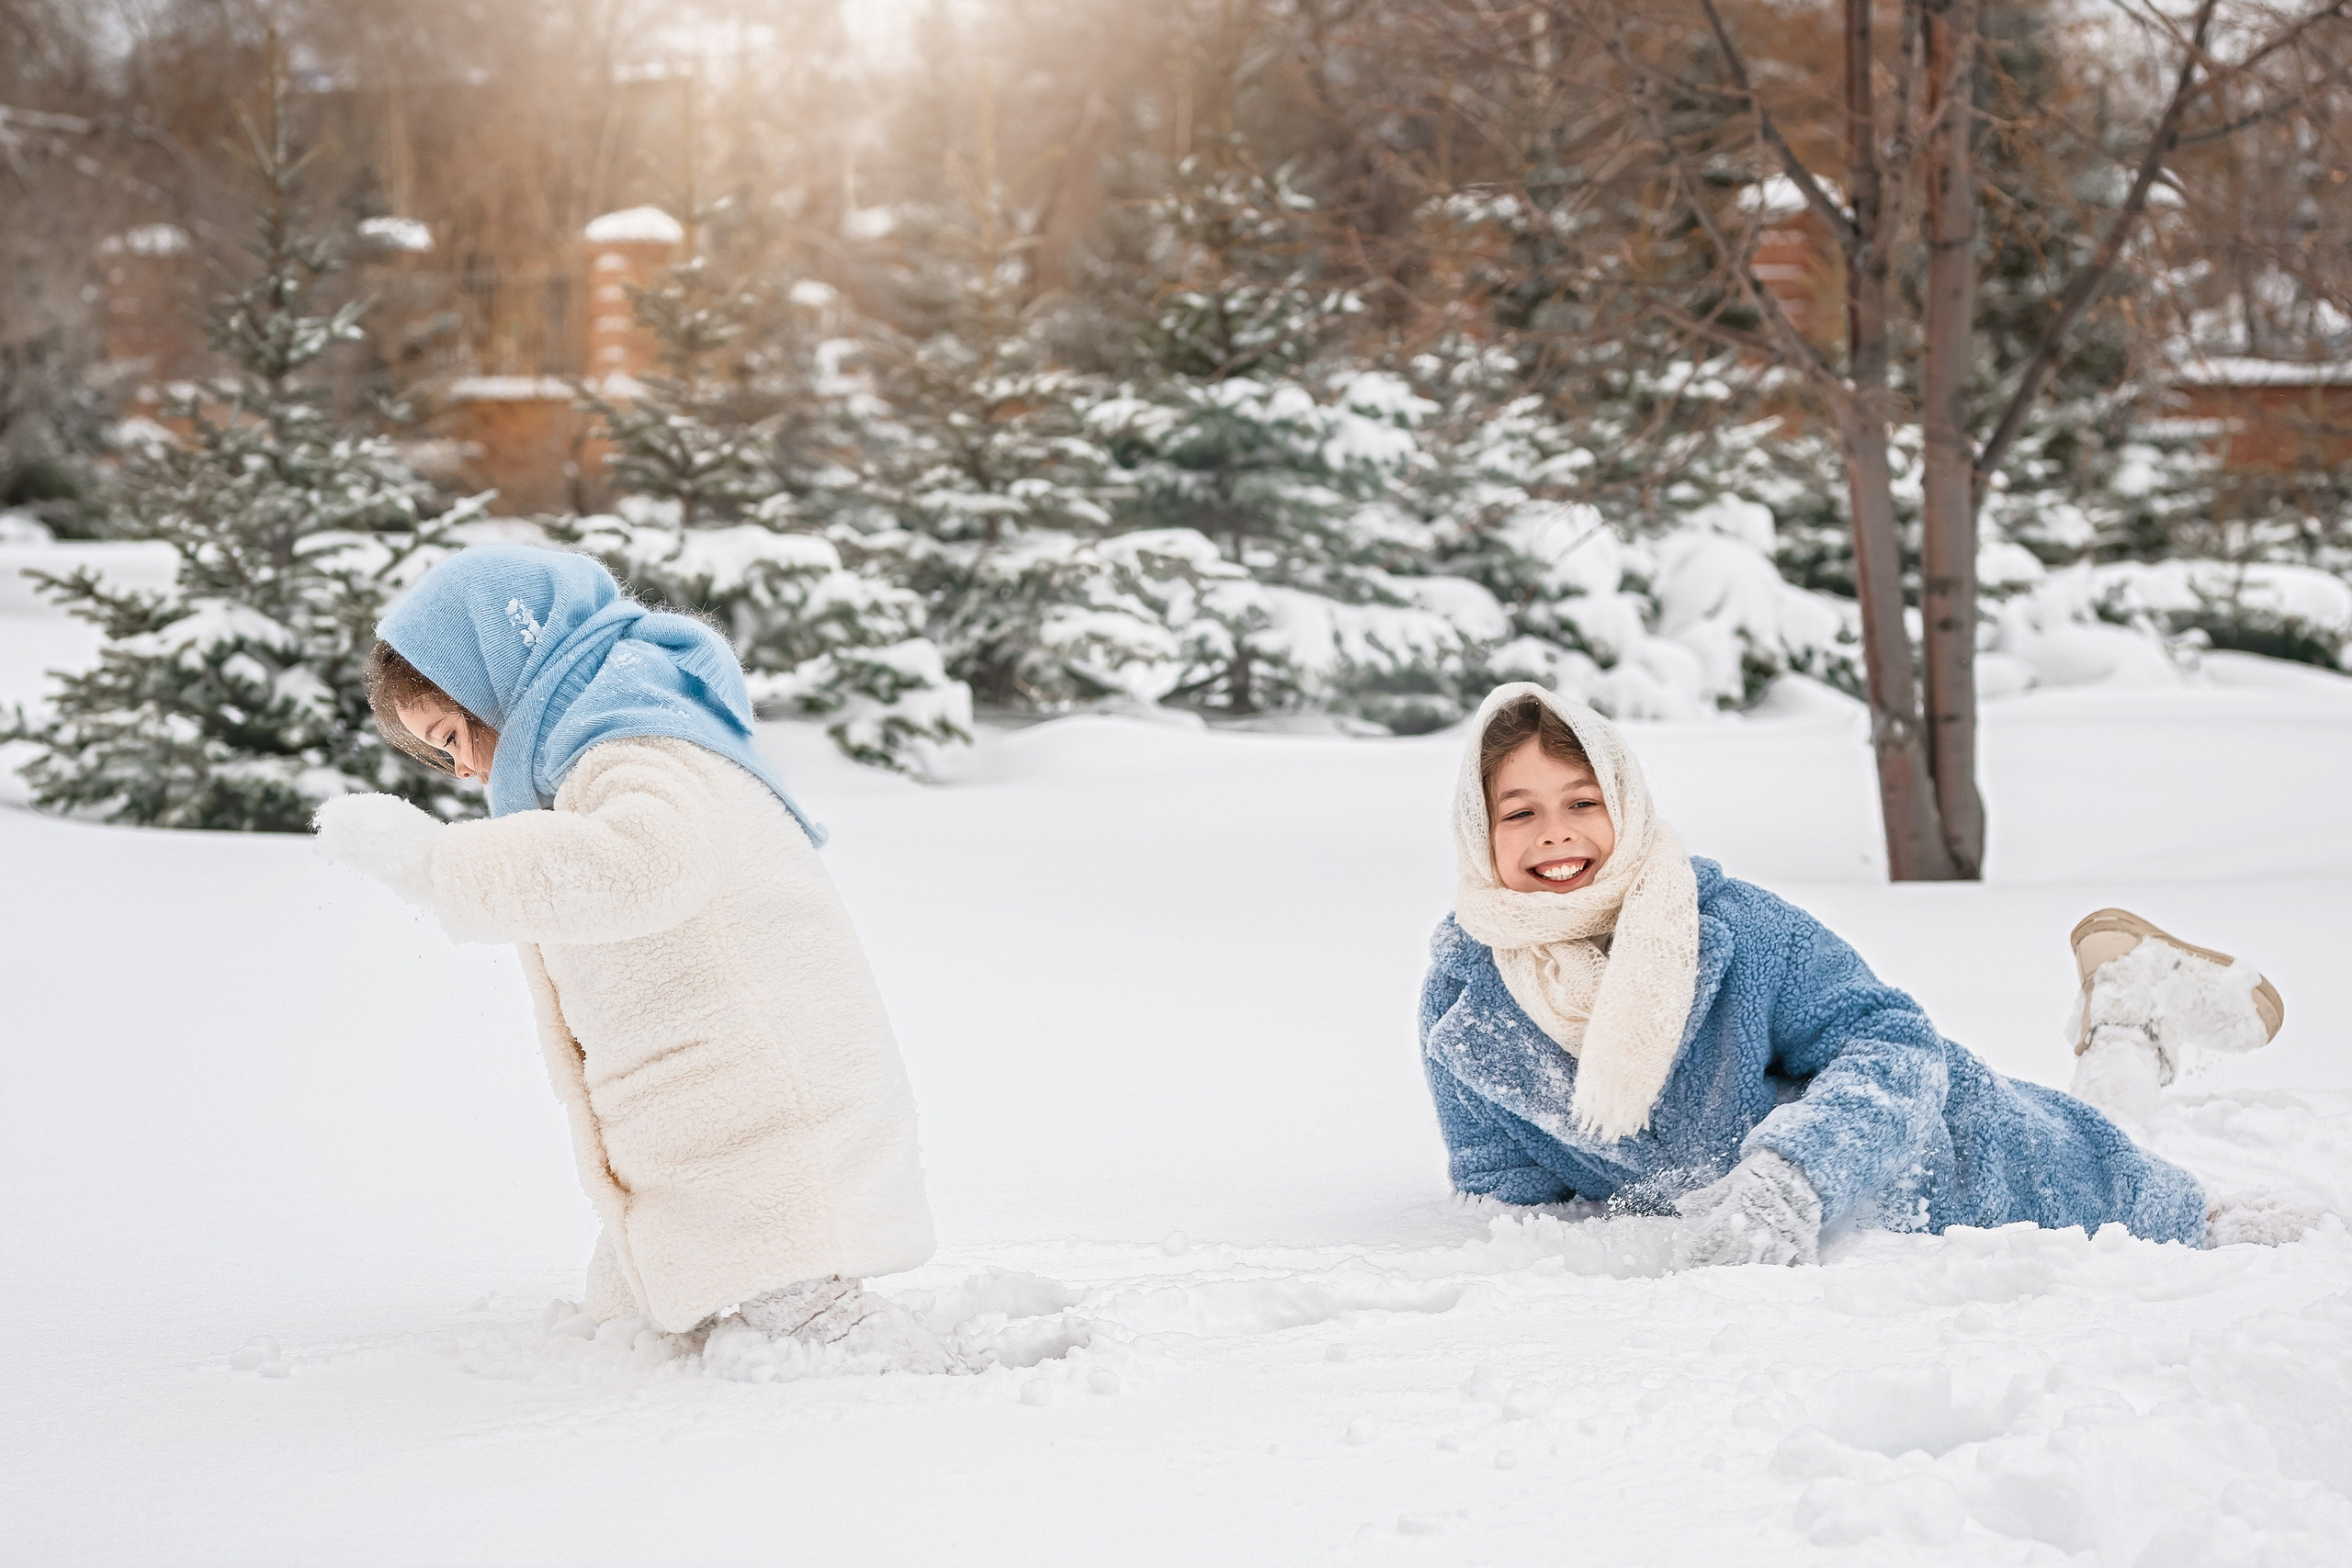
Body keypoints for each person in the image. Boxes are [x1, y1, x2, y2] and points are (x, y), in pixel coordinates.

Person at [312, 543, 951, 1367]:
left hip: (761, 1110)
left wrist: (440, 867)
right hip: (713, 1116)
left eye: (451, 733)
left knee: (807, 1320)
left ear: (495, 672)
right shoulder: (606, 738)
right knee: (645, 1306)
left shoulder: (637, 744)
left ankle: (934, 1408)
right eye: (439, 758)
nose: (466, 769)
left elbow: (645, 864)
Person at [1421, 682, 2291, 1266]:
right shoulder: (1468, 1004)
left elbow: (1895, 1042)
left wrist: (1793, 1175)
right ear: (1478, 830)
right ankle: (2124, 1005)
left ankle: (2129, 1019)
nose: (1555, 833)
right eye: (1519, 811)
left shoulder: (1736, 929)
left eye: (1582, 802)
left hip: (1947, 1158)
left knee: (2108, 1149)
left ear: (1627, 802)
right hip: (1749, 1243)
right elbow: (1515, 1200)